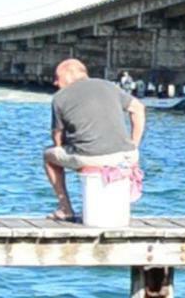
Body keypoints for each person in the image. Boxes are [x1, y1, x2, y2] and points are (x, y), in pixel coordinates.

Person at [44, 58, 146, 220]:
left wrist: (67, 152)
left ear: (70, 75)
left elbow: (57, 138)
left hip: (92, 157)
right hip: (127, 156)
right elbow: (138, 108)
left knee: (49, 157)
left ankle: (65, 208)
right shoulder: (109, 86)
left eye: (58, 77)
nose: (55, 82)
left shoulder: (60, 97)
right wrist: (134, 144)